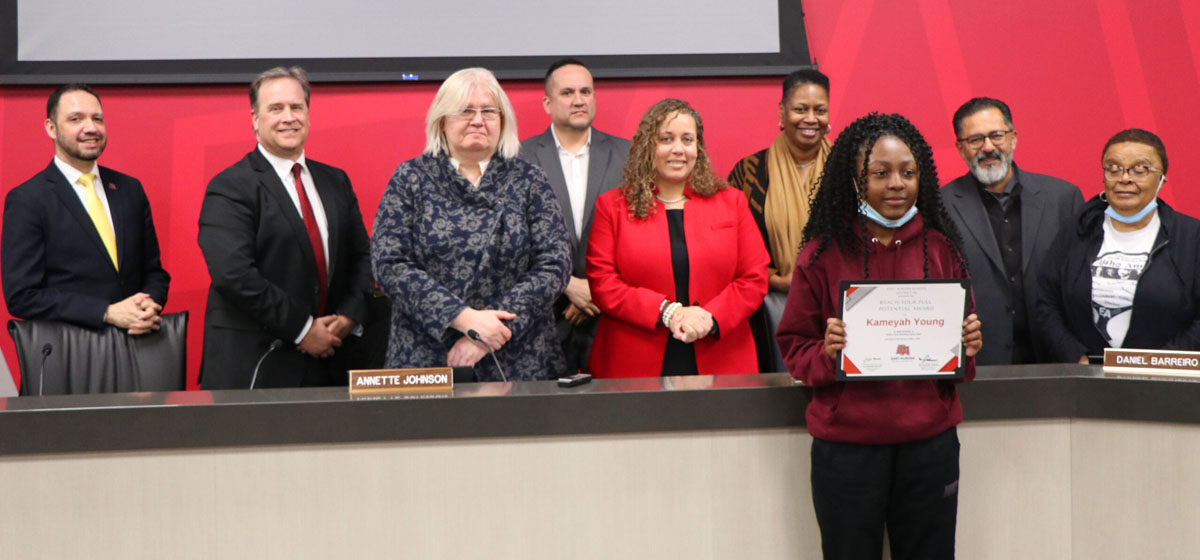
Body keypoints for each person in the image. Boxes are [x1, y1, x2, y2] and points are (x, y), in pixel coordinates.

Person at [775, 113, 982, 560]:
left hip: (929, 445)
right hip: (848, 449)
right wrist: (829, 353)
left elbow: (959, 361)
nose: (896, 184)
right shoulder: (822, 253)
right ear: (855, 179)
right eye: (880, 173)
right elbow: (794, 347)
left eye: (908, 173)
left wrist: (966, 348)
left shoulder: (942, 247)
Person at [371, 67, 570, 381]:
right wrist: (462, 318)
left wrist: (491, 332)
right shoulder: (410, 178)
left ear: (502, 120)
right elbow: (390, 264)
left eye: (489, 111)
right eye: (465, 111)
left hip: (520, 358)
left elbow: (554, 265)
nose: (478, 120)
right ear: (442, 120)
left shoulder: (530, 180)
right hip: (429, 358)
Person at [197, 66, 374, 389]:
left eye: (297, 107)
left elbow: (363, 257)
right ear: (255, 118)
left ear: (308, 114)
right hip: (257, 365)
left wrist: (348, 316)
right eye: (275, 109)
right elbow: (234, 275)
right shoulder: (229, 186)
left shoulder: (336, 181)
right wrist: (304, 329)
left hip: (332, 363)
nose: (288, 117)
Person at [586, 98, 768, 377]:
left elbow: (754, 277)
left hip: (720, 354)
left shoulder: (732, 202)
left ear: (698, 148)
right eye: (666, 139)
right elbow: (603, 283)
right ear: (648, 146)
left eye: (687, 139)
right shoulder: (611, 207)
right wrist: (667, 312)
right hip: (633, 362)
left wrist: (710, 317)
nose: (678, 150)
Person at [2, 83, 169, 336]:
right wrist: (106, 312)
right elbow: (22, 296)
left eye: (97, 118)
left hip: (137, 350)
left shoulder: (130, 189)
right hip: (71, 357)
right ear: (51, 128)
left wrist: (148, 305)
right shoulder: (27, 200)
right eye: (75, 119)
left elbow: (154, 273)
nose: (91, 128)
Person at [1036, 128, 1200, 362]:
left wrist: (1159, 363)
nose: (1124, 178)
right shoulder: (1077, 229)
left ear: (1162, 177)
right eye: (1113, 169)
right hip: (1086, 380)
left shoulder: (1191, 237)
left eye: (1140, 170)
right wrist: (1076, 357)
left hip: (1165, 384)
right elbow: (1046, 303)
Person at [941, 97, 1082, 365]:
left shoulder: (1064, 198)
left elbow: (1080, 286)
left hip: (1054, 362)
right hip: (976, 365)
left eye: (996, 136)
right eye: (975, 140)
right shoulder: (940, 206)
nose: (988, 147)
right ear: (960, 148)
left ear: (1013, 138)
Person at [518, 58, 631, 375]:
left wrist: (598, 289)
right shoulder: (518, 158)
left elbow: (643, 232)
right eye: (567, 92)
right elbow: (510, 240)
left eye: (586, 91)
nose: (579, 100)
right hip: (543, 321)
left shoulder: (630, 155)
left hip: (612, 318)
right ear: (547, 102)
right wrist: (567, 284)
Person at [727, 68, 832, 373]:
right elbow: (729, 249)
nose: (810, 118)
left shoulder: (851, 170)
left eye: (819, 110)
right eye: (800, 109)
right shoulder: (748, 174)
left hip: (839, 310)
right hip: (767, 310)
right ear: (782, 112)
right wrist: (774, 280)